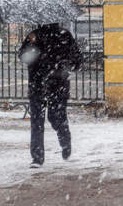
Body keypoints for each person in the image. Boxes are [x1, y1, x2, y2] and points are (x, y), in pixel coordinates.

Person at [19, 23, 82, 168]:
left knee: (55, 117)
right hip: (38, 84)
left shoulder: (64, 36)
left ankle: (65, 140)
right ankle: (37, 157)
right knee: (37, 122)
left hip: (57, 85)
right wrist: (33, 46)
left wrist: (62, 67)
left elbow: (77, 61)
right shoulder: (34, 36)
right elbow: (23, 57)